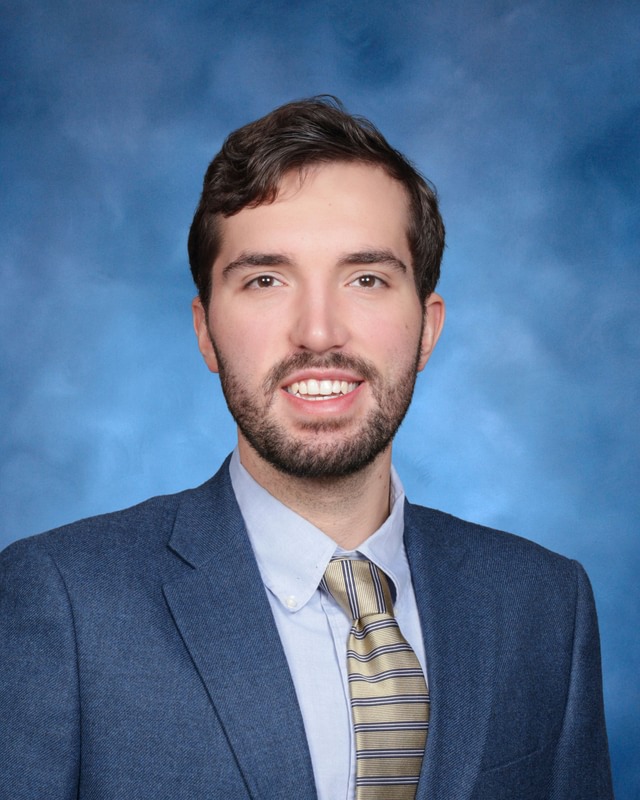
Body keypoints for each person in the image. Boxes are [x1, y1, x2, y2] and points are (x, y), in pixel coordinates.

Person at [0, 97, 612, 800]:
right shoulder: (61, 603)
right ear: (205, 331)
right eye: (265, 280)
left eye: (367, 279)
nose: (318, 333)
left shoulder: (544, 605)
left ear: (427, 328)